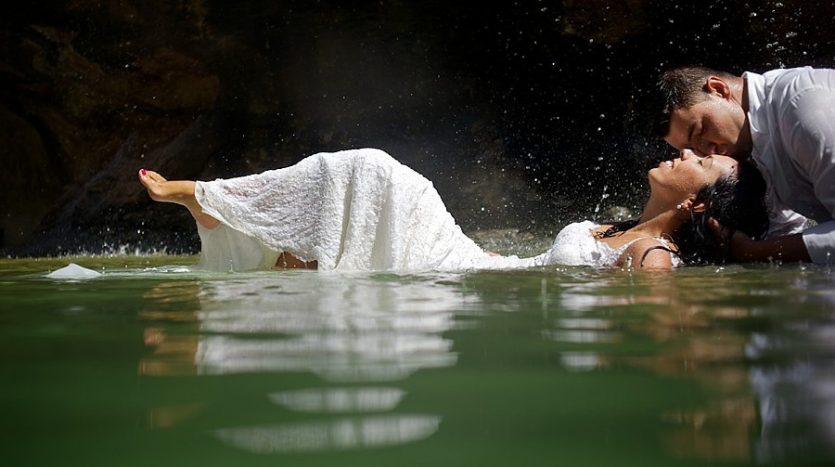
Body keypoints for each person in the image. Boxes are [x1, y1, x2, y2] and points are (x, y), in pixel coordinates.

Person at [138, 148, 765, 272]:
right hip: (478, 259)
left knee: (375, 171)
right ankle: (225, 208)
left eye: (702, 161)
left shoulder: (653, 257)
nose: (686, 151)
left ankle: (215, 202)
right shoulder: (627, 227)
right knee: (371, 172)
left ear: (695, 199)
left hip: (467, 277)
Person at [654, 65, 835, 264]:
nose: (708, 152)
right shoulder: (746, 139)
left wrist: (753, 252)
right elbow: (786, 230)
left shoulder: (805, 108)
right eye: (693, 149)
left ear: (718, 89)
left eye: (701, 132)